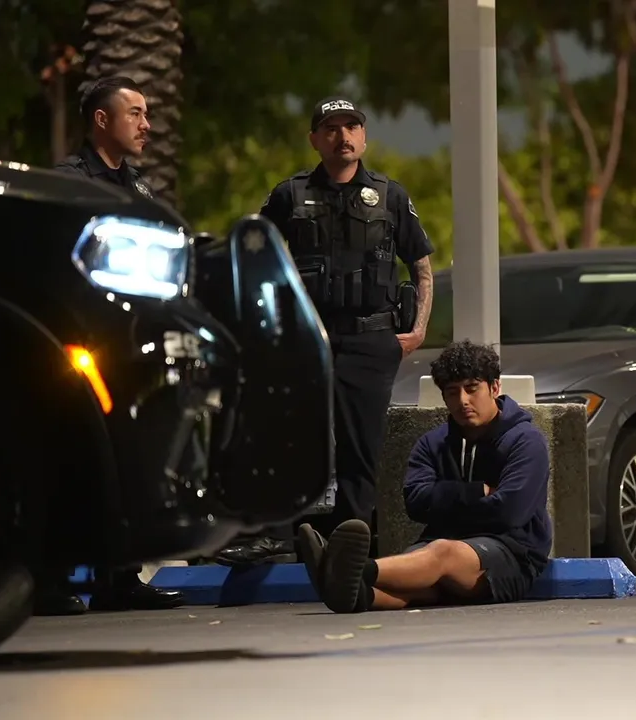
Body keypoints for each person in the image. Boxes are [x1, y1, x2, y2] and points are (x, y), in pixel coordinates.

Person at [214, 95, 435, 565]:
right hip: (304, 338)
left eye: (351, 127)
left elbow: (421, 267)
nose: (343, 137)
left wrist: (418, 330)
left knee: (360, 447)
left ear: (364, 137)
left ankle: (350, 543)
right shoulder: (289, 195)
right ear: (315, 139)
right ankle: (276, 537)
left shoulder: (391, 196)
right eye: (331, 129)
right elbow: (252, 258)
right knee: (286, 437)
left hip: (369, 339)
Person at [43, 75, 186, 615]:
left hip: (127, 344)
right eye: (136, 113)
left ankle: (120, 579)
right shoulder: (69, 182)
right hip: (76, 345)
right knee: (67, 456)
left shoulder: (139, 187)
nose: (147, 125)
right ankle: (48, 581)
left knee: (127, 459)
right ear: (101, 120)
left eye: (147, 114)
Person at [295, 340, 552, 612]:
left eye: (471, 388)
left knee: (442, 554)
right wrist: (478, 492)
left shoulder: (525, 441)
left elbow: (510, 512)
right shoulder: (432, 443)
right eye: (452, 392)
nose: (463, 401)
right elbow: (416, 502)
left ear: (495, 387)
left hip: (511, 554)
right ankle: (355, 594)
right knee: (416, 571)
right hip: (439, 545)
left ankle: (349, 570)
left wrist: (444, 504)